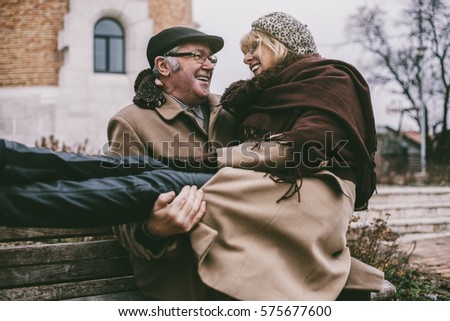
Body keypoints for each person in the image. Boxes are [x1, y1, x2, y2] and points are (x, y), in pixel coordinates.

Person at [0, 13, 384, 300]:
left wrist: (211, 162)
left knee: (160, 175)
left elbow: (298, 145)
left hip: (243, 243)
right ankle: (14, 162)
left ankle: (11, 177)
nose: (211, 64)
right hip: (186, 266)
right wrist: (154, 230)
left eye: (213, 59)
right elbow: (123, 210)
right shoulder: (132, 122)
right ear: (164, 67)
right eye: (199, 55)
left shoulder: (233, 110)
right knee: (146, 175)